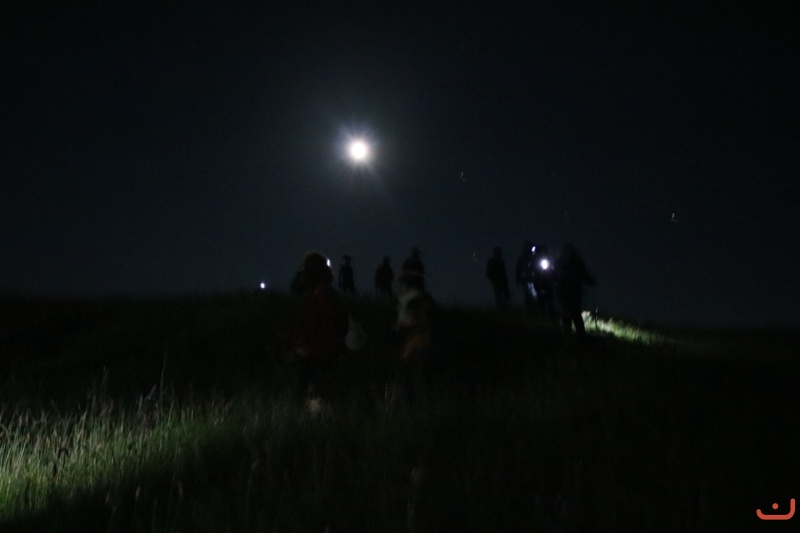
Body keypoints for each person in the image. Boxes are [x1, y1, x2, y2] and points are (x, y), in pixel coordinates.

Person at [292, 251, 349, 399]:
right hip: (332, 352)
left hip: (313, 353)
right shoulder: (333, 296)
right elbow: (344, 325)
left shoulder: (313, 298)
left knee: (313, 395)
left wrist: (300, 345)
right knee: (326, 393)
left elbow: (307, 328)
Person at [394, 270, 438, 406]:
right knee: (423, 378)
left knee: (408, 376)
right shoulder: (428, 300)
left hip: (412, 341)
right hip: (427, 341)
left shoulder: (408, 300)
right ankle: (425, 407)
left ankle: (408, 406)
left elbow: (406, 322)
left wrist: (398, 328)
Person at [554, 244, 596, 337]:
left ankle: (572, 334)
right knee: (572, 313)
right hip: (570, 291)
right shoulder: (574, 262)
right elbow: (584, 275)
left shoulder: (563, 261)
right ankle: (576, 335)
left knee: (571, 313)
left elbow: (554, 274)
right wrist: (591, 282)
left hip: (569, 291)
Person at [531, 244, 556, 318]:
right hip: (538, 282)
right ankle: (541, 313)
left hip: (547, 282)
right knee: (540, 297)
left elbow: (552, 270)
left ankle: (551, 314)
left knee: (549, 298)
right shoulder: (534, 260)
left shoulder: (547, 259)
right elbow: (532, 271)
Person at [515, 240, 535, 313]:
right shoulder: (523, 259)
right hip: (527, 279)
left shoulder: (533, 258)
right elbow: (518, 269)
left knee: (533, 293)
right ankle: (529, 308)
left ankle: (533, 307)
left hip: (533, 279)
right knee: (528, 294)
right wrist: (518, 278)